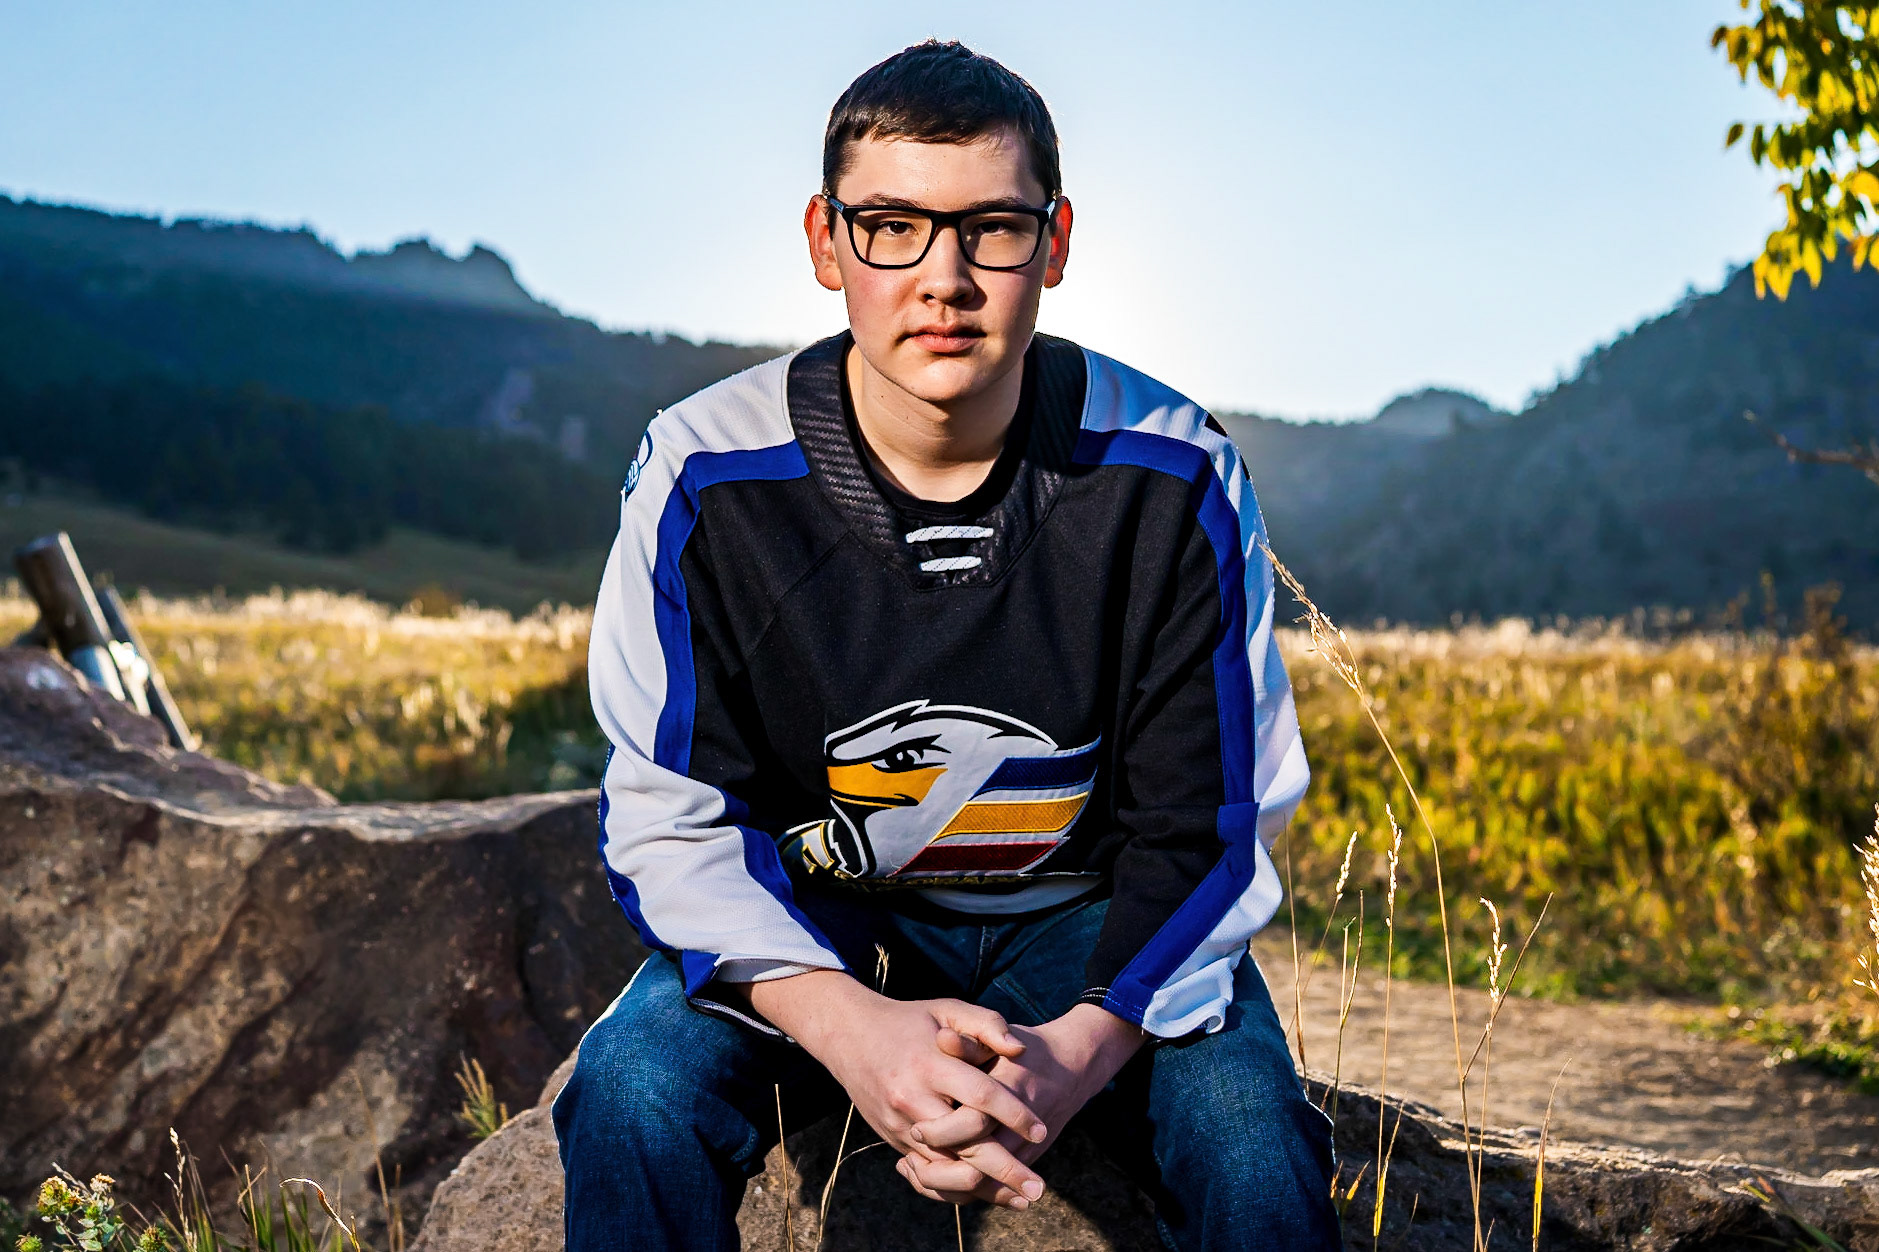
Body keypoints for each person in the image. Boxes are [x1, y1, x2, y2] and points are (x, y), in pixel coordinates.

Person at [553, 39, 1339, 1252]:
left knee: (1250, 1139)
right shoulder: (704, 472)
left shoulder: (1176, 473)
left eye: (992, 228)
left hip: (1080, 922)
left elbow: (1211, 825)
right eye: (891, 226)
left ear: (1056, 242)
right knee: (630, 1094)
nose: (945, 277)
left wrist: (1073, 1057)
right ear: (825, 241)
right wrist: (851, 1029)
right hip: (822, 917)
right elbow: (668, 811)